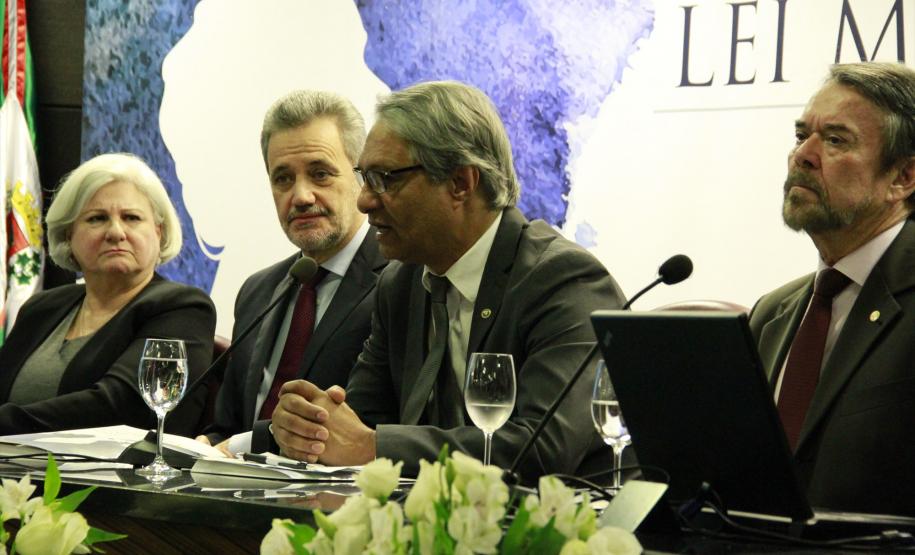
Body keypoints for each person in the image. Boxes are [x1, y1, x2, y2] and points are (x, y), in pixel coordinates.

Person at [271, 80, 626, 481]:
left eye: (385, 178)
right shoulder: (400, 283)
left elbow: (539, 449)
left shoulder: (563, 282)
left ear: (461, 183)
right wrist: (312, 428)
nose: (364, 200)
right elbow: (361, 420)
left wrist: (372, 447)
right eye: (364, 177)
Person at [749, 62, 915, 516]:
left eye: (836, 140)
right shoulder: (772, 312)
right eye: (802, 135)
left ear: (902, 178)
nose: (804, 154)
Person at [200, 90, 386, 454]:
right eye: (283, 179)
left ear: (360, 176)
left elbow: (373, 425)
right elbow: (226, 425)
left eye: (320, 174)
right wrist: (204, 446)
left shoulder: (402, 283)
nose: (301, 196)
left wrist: (238, 446)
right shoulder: (258, 291)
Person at [0, 153, 216, 435]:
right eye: (97, 218)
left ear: (158, 232)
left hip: (112, 478)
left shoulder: (183, 309)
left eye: (131, 218)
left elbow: (122, 408)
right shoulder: (41, 308)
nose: (116, 232)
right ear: (68, 236)